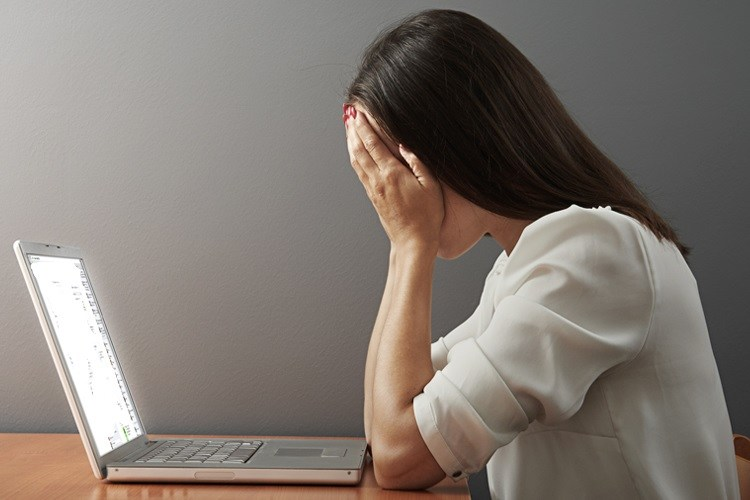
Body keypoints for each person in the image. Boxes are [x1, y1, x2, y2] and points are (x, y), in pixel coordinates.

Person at [341, 9, 739, 499]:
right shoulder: (521, 268)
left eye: (396, 165)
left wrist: (409, 246)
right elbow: (391, 423)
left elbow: (400, 456)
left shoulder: (595, 253)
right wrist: (401, 246)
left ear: (462, 139)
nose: (394, 190)